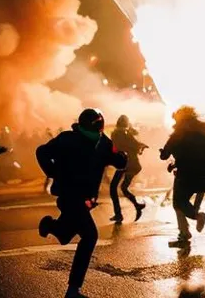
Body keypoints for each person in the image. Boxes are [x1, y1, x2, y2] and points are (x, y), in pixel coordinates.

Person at [36, 109, 127, 298]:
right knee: (90, 235)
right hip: (70, 196)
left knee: (65, 235)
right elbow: (42, 151)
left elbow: (118, 161)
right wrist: (53, 172)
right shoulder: (70, 139)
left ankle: (51, 225)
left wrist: (121, 156)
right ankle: (73, 290)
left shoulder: (101, 143)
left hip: (82, 198)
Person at [161, 106, 205, 248]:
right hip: (202, 174)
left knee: (178, 203)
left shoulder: (177, 135)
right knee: (181, 204)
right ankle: (184, 233)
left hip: (185, 175)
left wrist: (165, 155)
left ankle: (195, 219)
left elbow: (165, 155)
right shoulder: (202, 134)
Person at [109, 115, 147, 223]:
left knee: (113, 188)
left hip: (125, 164)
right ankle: (136, 205)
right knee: (123, 187)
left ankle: (119, 214)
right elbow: (135, 146)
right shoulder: (126, 134)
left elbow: (116, 148)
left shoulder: (117, 133)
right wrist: (141, 147)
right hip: (132, 165)